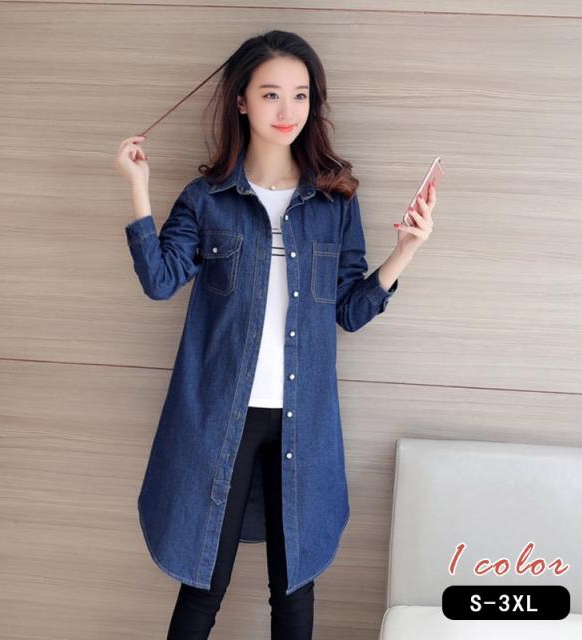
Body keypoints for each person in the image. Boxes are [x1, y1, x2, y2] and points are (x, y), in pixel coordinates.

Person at [114, 30, 436, 640]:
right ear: (241, 101)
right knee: (203, 584)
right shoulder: (207, 199)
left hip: (303, 419)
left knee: (294, 590)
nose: (287, 110)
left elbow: (349, 311)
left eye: (300, 95)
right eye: (270, 94)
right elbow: (159, 281)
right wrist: (137, 189)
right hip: (220, 417)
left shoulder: (335, 203)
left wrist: (405, 251)